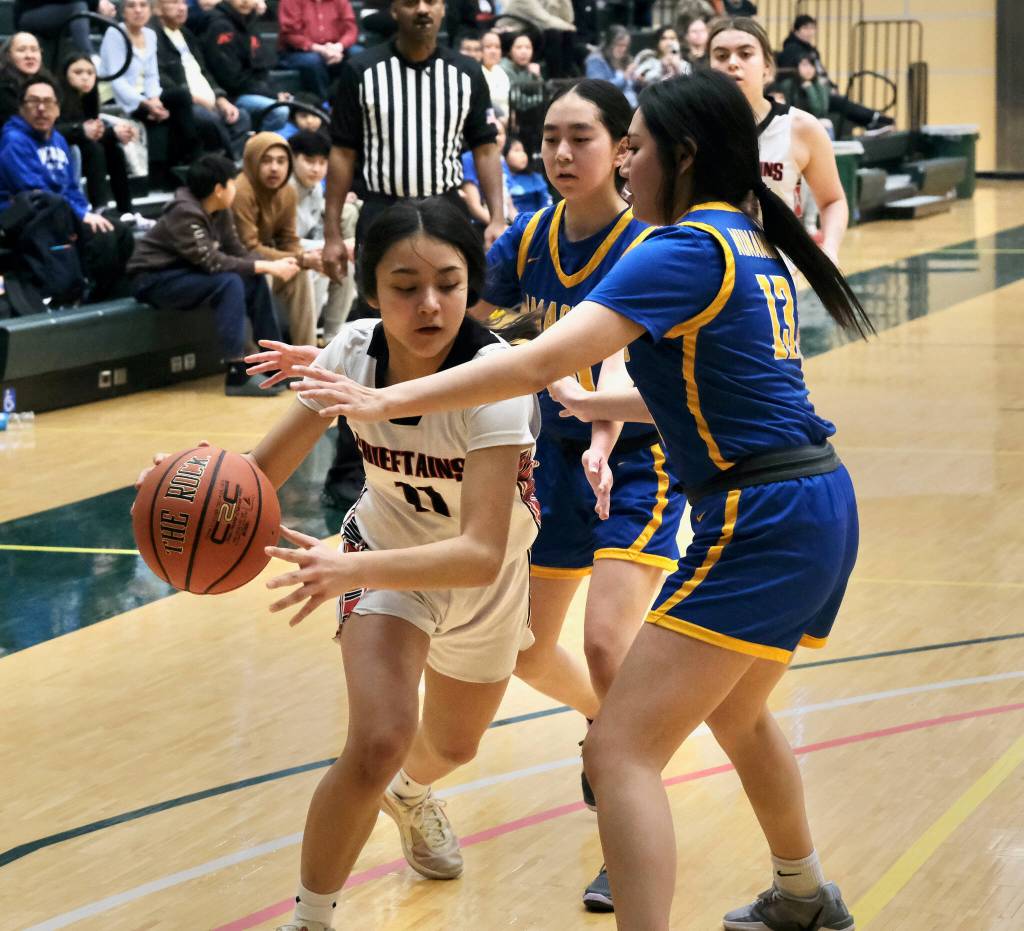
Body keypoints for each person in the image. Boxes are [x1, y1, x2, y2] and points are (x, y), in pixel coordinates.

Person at [284, 68, 873, 931]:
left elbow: (529, 362)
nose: (625, 165)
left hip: (763, 515)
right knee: (740, 713)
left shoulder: (682, 246)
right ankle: (802, 891)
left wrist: (383, 400)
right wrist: (607, 406)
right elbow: (734, 381)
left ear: (684, 155)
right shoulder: (747, 238)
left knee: (621, 747)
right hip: (815, 495)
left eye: (632, 147)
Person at [233, 198, 539, 931]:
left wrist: (348, 571)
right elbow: (258, 471)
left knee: (455, 745)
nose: (429, 303)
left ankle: (411, 793)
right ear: (372, 288)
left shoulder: (497, 378)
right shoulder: (354, 349)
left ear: (472, 285)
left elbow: (478, 553)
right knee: (374, 742)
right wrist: (184, 487)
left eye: (448, 281)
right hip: (382, 554)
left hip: (481, 579)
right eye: (405, 284)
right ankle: (309, 919)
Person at [471, 77, 686, 913]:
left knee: (606, 642)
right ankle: (616, 731)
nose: (562, 152)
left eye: (583, 138)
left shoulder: (652, 244)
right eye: (550, 137)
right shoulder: (527, 239)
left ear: (623, 150)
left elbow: (626, 365)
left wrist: (600, 430)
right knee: (524, 647)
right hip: (551, 460)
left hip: (639, 457)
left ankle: (620, 826)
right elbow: (469, 326)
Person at [318, 0, 506, 507]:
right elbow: (342, 153)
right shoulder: (360, 70)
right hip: (382, 216)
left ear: (443, 9)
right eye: (410, 0)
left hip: (446, 216)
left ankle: (450, 455)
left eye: (431, 0)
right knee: (368, 345)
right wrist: (333, 230)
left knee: (456, 334)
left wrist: (497, 216)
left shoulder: (467, 72)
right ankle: (351, 468)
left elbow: (486, 148)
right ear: (393, 9)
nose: (422, 8)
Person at [128, 154, 299, 395]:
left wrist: (273, 263)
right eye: (232, 183)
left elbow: (237, 252)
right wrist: (268, 266)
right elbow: (212, 262)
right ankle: (236, 374)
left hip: (186, 274)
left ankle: (274, 365)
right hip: (153, 279)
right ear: (219, 189)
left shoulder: (220, 210)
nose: (235, 188)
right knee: (229, 282)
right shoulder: (184, 213)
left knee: (254, 280)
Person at [709, 17, 847, 262]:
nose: (732, 63)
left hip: (775, 276)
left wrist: (830, 249)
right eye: (721, 56)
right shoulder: (690, 126)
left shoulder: (801, 127)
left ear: (768, 68)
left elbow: (833, 200)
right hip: (707, 267)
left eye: (745, 54)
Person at [0, 75, 135, 300]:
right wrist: (80, 215)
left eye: (48, 102)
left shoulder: (58, 140)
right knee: (102, 238)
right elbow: (35, 192)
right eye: (33, 102)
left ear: (58, 109)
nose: (41, 108)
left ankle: (111, 300)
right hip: (27, 218)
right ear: (21, 108)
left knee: (121, 233)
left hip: (60, 213)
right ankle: (90, 299)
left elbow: (71, 187)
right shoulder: (14, 140)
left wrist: (86, 212)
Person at [233, 131, 321, 347]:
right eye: (267, 160)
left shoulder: (287, 192)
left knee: (299, 274)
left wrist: (300, 259)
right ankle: (257, 360)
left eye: (281, 161)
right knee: (265, 276)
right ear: (253, 161)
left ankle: (306, 358)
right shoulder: (240, 190)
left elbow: (289, 239)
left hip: (262, 259)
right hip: (238, 265)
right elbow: (248, 248)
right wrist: (301, 259)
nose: (275, 168)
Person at [100, 0, 200, 183]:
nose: (138, 10)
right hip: (119, 96)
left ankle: (183, 161)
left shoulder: (150, 35)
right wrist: (146, 104)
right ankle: (185, 162)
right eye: (131, 6)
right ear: (123, 11)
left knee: (181, 97)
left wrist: (155, 100)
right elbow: (117, 80)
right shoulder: (115, 33)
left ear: (150, 10)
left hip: (146, 95)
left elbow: (152, 75)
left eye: (143, 5)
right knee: (165, 113)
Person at [153, 0, 252, 159]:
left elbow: (204, 72)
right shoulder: (154, 37)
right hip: (184, 103)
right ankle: (229, 163)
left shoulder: (186, 34)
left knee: (241, 117)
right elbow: (161, 77)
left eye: (184, 3)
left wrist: (220, 98)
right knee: (208, 119)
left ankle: (222, 162)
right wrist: (193, 98)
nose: (181, 8)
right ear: (158, 9)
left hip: (209, 100)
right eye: (174, 3)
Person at [290, 129, 356, 343]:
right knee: (321, 266)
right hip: (283, 253)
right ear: (293, 158)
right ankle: (306, 341)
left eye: (322, 162)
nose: (316, 168)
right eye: (309, 161)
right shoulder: (285, 188)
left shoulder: (316, 187)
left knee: (345, 264)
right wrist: (326, 245)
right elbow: (281, 240)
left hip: (306, 248)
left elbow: (317, 225)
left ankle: (331, 338)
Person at [56, 54, 139, 221]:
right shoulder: (57, 96)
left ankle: (126, 210)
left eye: (90, 72)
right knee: (95, 148)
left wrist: (115, 133)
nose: (85, 77)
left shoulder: (90, 98)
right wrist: (85, 130)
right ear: (65, 75)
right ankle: (100, 207)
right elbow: (56, 130)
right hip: (64, 147)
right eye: (78, 72)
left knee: (114, 149)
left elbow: (92, 132)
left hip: (82, 144)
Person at [778, 14, 893, 133]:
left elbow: (819, 72)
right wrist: (813, 85)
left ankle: (874, 120)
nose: (810, 32)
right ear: (796, 30)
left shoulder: (810, 50)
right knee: (841, 104)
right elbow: (794, 76)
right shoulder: (791, 49)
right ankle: (875, 119)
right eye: (806, 28)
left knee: (842, 102)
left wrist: (831, 86)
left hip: (818, 88)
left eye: (812, 28)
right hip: (807, 92)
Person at [203, 0, 290, 131]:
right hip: (230, 96)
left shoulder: (248, 23)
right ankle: (257, 148)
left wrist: (275, 93)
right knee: (279, 111)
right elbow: (230, 79)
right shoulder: (219, 26)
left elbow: (261, 68)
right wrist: (271, 95)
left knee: (293, 102)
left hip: (250, 89)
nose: (245, 1)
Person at [277, 0, 360, 102]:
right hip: (297, 51)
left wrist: (339, 46)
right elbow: (290, 35)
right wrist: (320, 49)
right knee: (313, 60)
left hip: (335, 48)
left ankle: (353, 103)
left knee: (358, 54)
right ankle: (322, 106)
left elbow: (351, 29)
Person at [15, 0, 117, 57]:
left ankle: (116, 58)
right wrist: (96, 3)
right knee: (78, 7)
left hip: (65, 13)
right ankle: (89, 57)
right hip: (29, 15)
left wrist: (104, 7)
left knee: (106, 14)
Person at [0, 32, 46, 130]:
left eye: (34, 50)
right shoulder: (3, 88)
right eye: (21, 50)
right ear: (8, 55)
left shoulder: (48, 82)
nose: (29, 56)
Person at [585, 25, 638, 107]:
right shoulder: (596, 60)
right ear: (609, 44)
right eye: (620, 45)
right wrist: (624, 77)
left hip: (631, 105)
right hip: (609, 108)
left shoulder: (626, 59)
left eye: (626, 46)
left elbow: (631, 87)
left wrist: (639, 80)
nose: (623, 49)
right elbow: (598, 88)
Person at [502, 133, 549, 214]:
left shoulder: (534, 178)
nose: (523, 155)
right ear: (504, 156)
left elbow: (545, 201)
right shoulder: (502, 178)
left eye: (523, 151)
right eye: (517, 150)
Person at [480, 29, 510, 116]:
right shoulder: (477, 72)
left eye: (497, 47)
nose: (493, 51)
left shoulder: (500, 71)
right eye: (488, 47)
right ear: (480, 50)